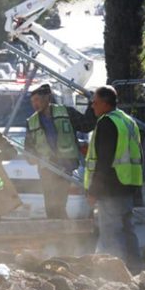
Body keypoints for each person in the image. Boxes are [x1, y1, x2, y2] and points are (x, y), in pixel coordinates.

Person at [84, 86, 141, 262]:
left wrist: (93, 190)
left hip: (111, 187)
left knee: (111, 234)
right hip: (128, 185)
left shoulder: (106, 122)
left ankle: (119, 274)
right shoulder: (127, 120)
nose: (92, 106)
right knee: (127, 230)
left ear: (105, 103)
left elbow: (104, 160)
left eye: (94, 102)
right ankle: (135, 268)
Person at [26, 83, 96, 219]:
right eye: (32, 101)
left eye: (38, 100)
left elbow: (86, 125)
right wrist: (31, 158)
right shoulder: (31, 122)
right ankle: (62, 235)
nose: (35, 104)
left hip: (65, 167)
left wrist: (91, 105)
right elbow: (28, 149)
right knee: (51, 208)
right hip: (46, 169)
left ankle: (62, 235)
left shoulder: (66, 112)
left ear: (47, 98)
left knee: (57, 205)